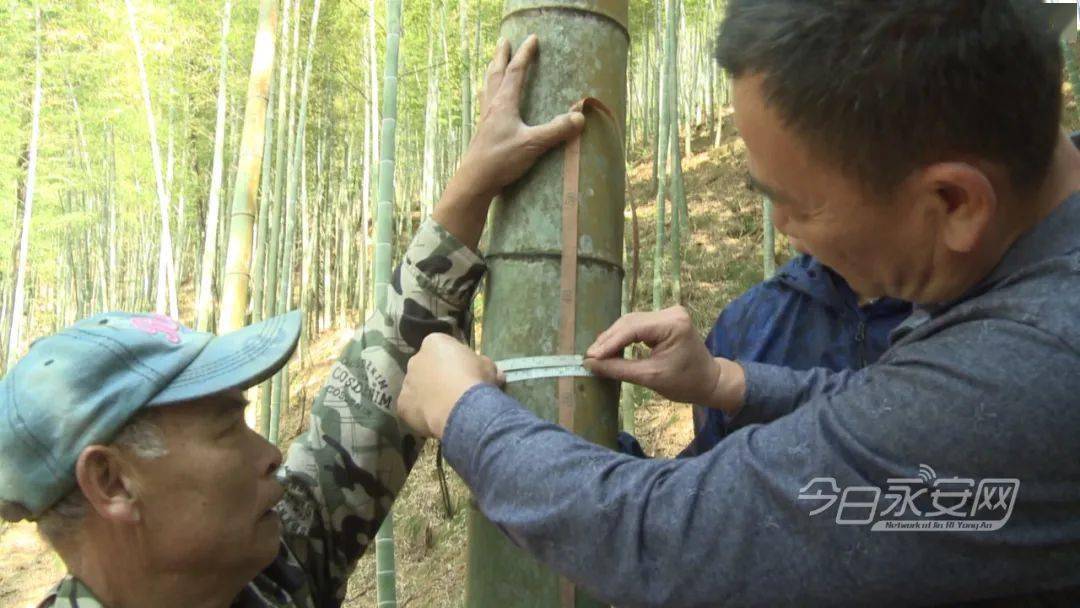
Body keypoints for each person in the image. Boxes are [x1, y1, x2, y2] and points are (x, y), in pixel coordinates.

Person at [397, 2, 1080, 605]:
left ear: (955, 202)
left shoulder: (1037, 366)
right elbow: (890, 404)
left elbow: (669, 539)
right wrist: (727, 382)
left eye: (797, 203)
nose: (782, 230)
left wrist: (463, 412)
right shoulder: (1031, 255)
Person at [0, 35, 581, 608]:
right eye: (228, 428)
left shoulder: (271, 574)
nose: (272, 454)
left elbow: (364, 414)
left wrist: (474, 181)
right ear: (112, 483)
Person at [617, 252, 911, 459]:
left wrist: (728, 384)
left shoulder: (949, 324)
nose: (782, 218)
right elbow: (712, 482)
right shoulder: (749, 322)